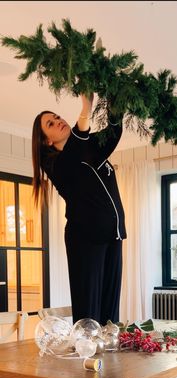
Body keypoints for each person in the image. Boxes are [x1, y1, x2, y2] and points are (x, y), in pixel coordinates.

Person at [32, 93, 126, 325]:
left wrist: (116, 99)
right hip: (85, 237)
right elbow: (74, 152)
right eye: (50, 124)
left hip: (113, 234)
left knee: (110, 308)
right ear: (47, 140)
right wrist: (85, 109)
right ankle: (87, 357)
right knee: (89, 308)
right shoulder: (55, 164)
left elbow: (113, 134)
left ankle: (110, 354)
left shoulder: (90, 147)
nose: (58, 121)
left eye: (56, 117)